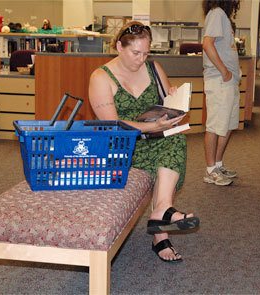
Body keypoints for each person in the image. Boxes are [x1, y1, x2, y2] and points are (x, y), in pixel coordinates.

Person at [88, 21, 199, 263]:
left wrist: (174, 98)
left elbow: (168, 100)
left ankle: (161, 211)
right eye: (135, 53)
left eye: (146, 53)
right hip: (121, 147)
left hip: (154, 137)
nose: (141, 59)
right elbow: (113, 125)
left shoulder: (153, 68)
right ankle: (161, 231)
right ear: (119, 46)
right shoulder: (101, 77)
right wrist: (152, 126)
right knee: (165, 145)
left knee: (175, 138)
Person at [202, 0, 241, 186]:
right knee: (215, 126)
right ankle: (210, 171)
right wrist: (224, 71)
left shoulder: (222, 16)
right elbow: (207, 44)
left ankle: (217, 165)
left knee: (227, 125)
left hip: (228, 81)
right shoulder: (216, 13)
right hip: (219, 80)